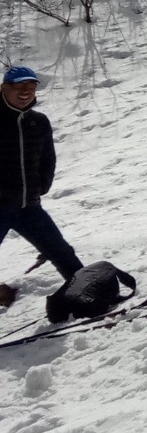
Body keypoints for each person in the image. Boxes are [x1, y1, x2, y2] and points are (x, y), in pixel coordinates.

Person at [0, 65, 84, 303]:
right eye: (19, 86)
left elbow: (48, 158)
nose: (25, 91)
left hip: (29, 207)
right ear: (4, 88)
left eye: (31, 86)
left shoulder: (38, 121)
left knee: (61, 252)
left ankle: (88, 294)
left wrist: (41, 186)